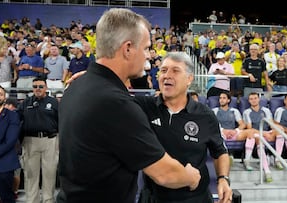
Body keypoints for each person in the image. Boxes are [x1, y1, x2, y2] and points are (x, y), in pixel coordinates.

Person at [57, 8, 201, 203]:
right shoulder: (115, 103)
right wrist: (191, 177)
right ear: (127, 49)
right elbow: (165, 174)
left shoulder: (76, 86)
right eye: (145, 48)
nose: (149, 55)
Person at [135, 52, 232, 203]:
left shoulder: (205, 115)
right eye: (163, 70)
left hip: (195, 198)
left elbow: (220, 152)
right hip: (153, 197)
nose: (167, 75)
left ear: (189, 79)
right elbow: (111, 99)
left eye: (175, 70)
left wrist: (223, 179)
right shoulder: (143, 107)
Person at [18, 78, 59, 203]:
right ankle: (32, 200)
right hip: (30, 141)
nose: (38, 89)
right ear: (32, 88)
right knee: (30, 174)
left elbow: (62, 120)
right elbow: (17, 119)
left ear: (46, 88)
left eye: (41, 86)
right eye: (35, 86)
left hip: (50, 140)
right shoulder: (26, 103)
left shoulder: (54, 102)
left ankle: (48, 199)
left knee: (50, 172)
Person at [212, 92, 259, 171]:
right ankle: (226, 157)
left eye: (224, 98)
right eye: (220, 98)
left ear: (228, 100)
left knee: (250, 132)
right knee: (217, 135)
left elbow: (242, 124)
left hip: (233, 133)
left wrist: (235, 131)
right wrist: (223, 130)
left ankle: (247, 160)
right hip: (220, 133)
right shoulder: (214, 111)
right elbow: (211, 124)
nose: (221, 100)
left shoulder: (234, 111)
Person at [242, 92, 280, 182]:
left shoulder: (266, 110)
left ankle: (278, 159)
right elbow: (250, 128)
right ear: (249, 101)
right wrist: (263, 134)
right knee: (252, 136)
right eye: (251, 99)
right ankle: (266, 171)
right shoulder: (247, 112)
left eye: (255, 98)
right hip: (255, 133)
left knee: (279, 132)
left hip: (266, 132)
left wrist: (272, 132)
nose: (253, 100)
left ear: (259, 99)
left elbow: (271, 124)